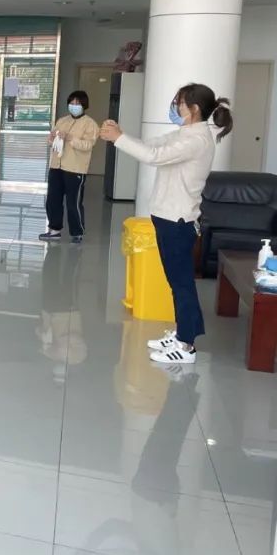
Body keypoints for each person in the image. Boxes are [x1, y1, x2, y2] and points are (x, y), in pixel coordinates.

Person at [100, 83, 233, 365]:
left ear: (193, 109)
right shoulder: (185, 133)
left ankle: (186, 345)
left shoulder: (196, 140)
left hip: (178, 221)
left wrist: (118, 138)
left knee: (181, 283)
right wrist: (121, 135)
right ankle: (183, 332)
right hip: (168, 217)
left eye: (179, 103)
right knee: (177, 282)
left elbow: (154, 157)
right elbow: (153, 146)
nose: (175, 107)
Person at [39, 90, 99, 244]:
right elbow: (52, 141)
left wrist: (70, 138)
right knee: (53, 200)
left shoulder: (90, 124)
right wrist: (51, 138)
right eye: (71, 103)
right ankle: (54, 230)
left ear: (84, 105)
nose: (74, 106)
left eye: (77, 103)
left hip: (75, 168)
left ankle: (77, 232)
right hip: (56, 166)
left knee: (73, 203)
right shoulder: (62, 121)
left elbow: (88, 145)